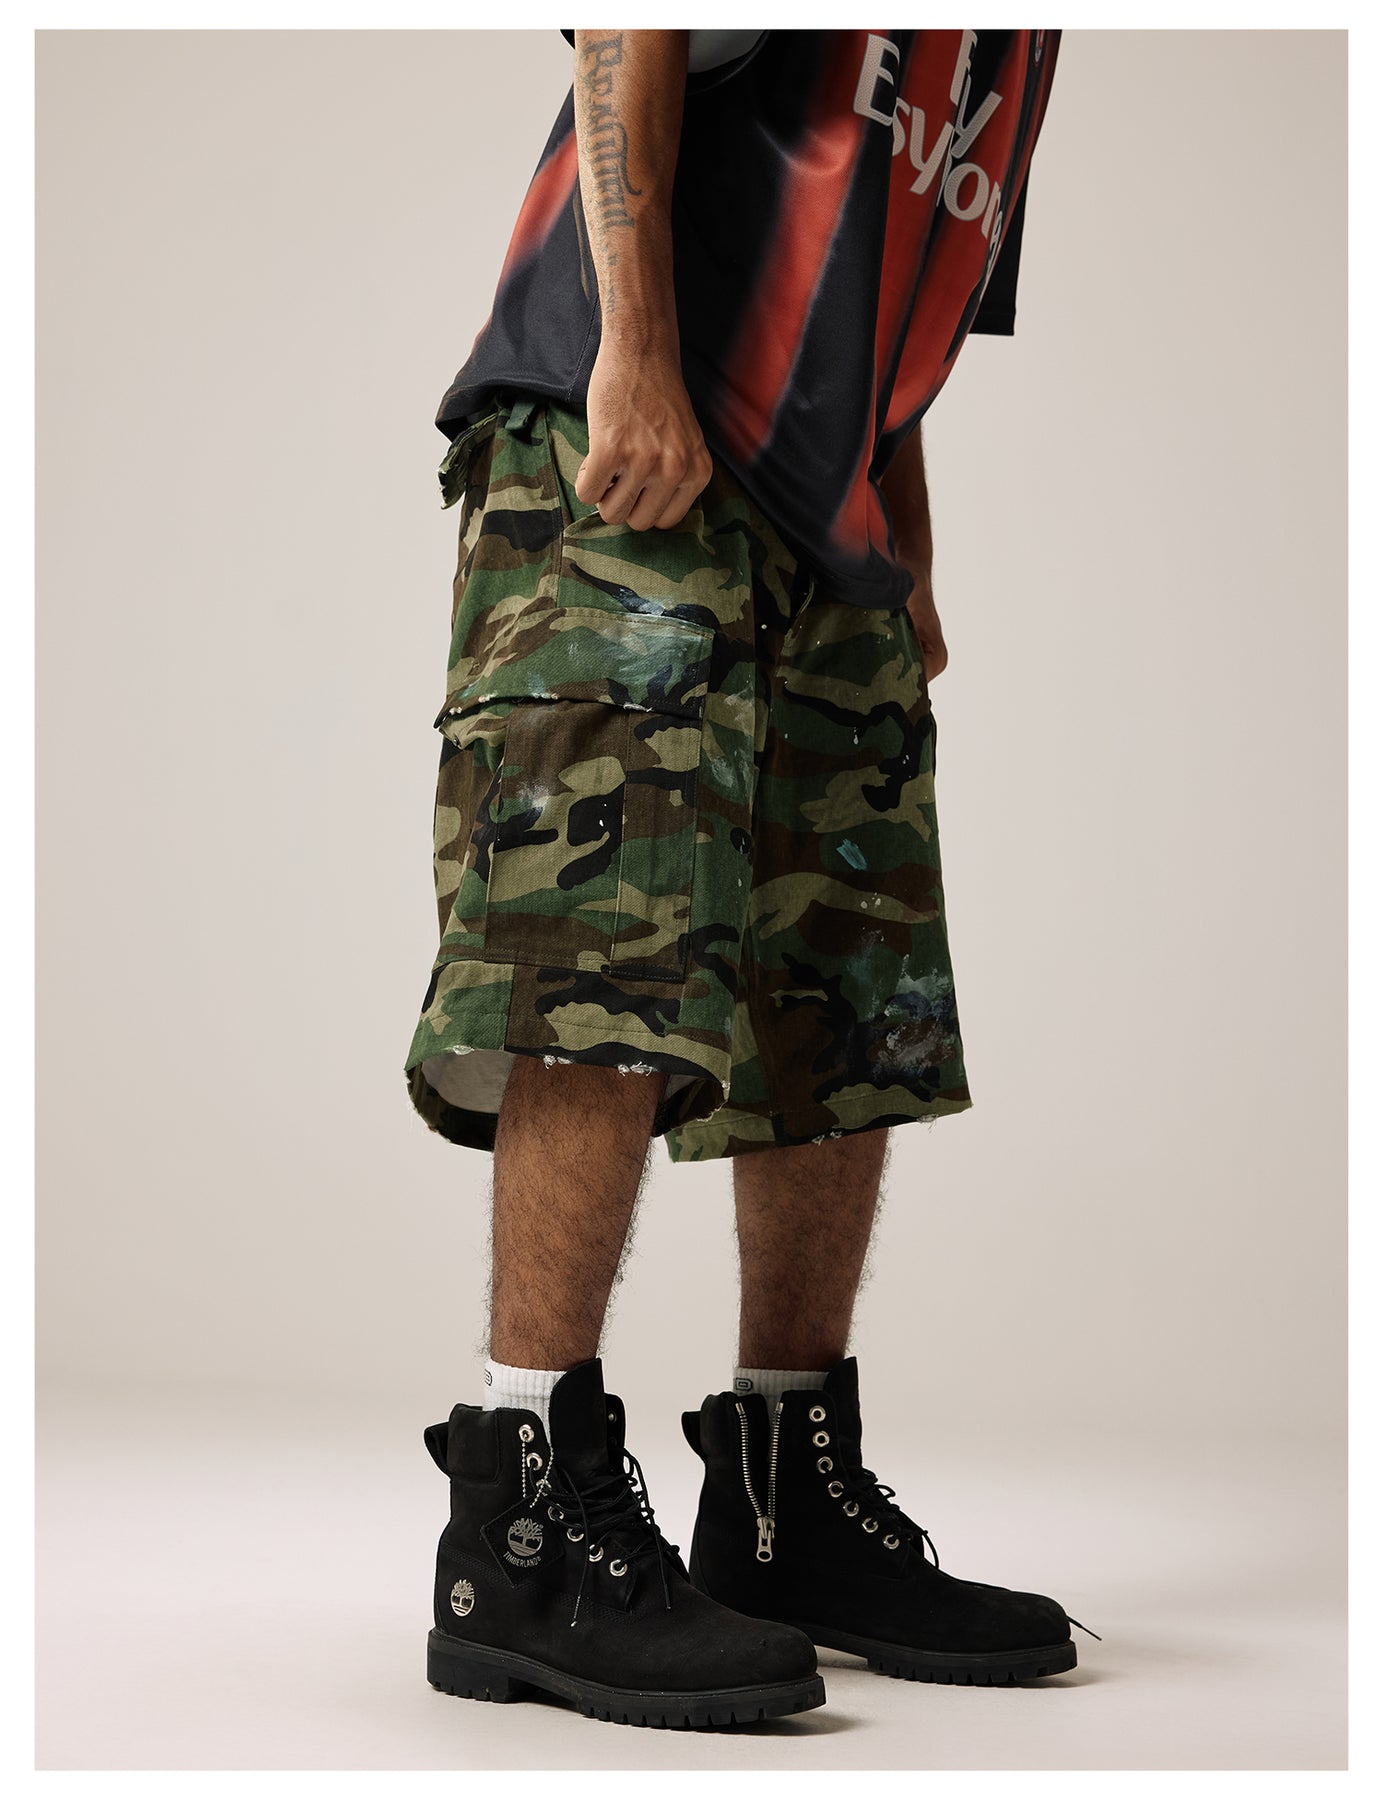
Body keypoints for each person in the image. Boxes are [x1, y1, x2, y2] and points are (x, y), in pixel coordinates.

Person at [409, 28, 1085, 1729]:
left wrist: (899, 533)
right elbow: (628, 30)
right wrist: (632, 349)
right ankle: (520, 1520)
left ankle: (786, 1500)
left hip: (816, 512)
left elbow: (891, 312)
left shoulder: (1014, 45)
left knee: (842, 993)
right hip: (628, 436)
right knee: (600, 951)